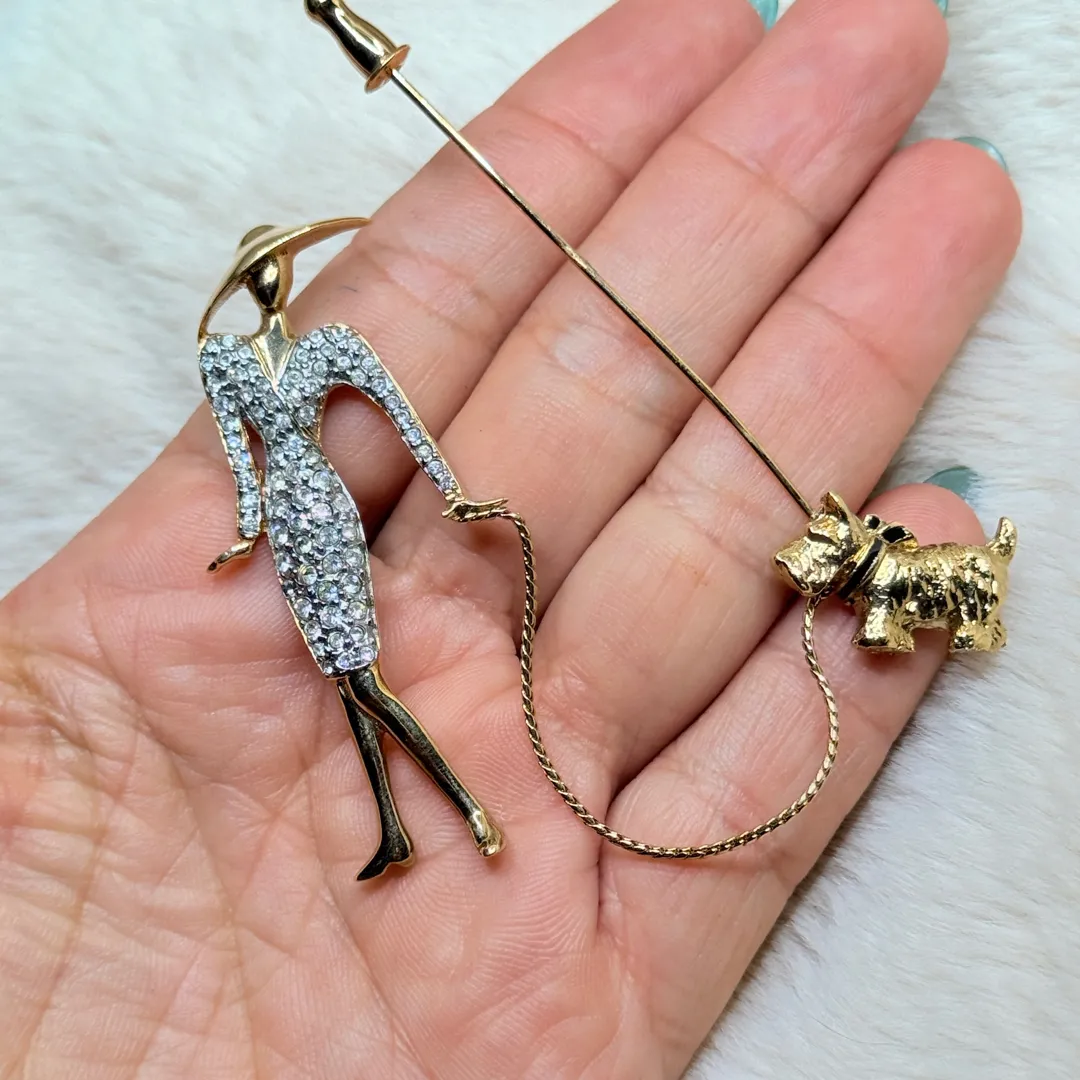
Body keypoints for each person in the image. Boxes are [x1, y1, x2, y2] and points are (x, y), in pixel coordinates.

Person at [0, 0, 1018, 1075]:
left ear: (283, 276)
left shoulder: (329, 344)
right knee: (348, 685)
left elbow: (400, 417)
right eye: (256, 273)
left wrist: (453, 490)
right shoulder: (231, 365)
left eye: (272, 267)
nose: (265, 282)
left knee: (361, 680)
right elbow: (242, 466)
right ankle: (407, 823)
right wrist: (244, 533)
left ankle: (454, 810)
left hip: (331, 514)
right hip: (295, 527)